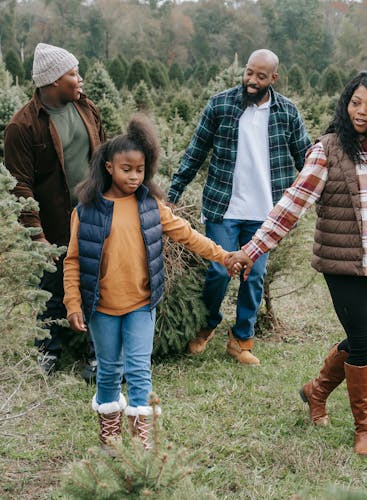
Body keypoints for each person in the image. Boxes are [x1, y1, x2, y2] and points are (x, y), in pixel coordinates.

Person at [229, 70, 367, 455]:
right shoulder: (328, 149)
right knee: (363, 339)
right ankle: (365, 429)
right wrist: (253, 248)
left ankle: (316, 392)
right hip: (342, 260)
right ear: (346, 104)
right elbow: (292, 203)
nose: (361, 112)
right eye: (355, 102)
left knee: (365, 338)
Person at [63, 115, 239, 448]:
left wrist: (223, 255)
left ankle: (141, 436)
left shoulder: (149, 206)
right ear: (109, 168)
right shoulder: (85, 212)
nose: (133, 176)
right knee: (110, 369)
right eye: (126, 169)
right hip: (102, 308)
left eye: (140, 170)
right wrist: (73, 302)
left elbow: (187, 235)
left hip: (141, 305)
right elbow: (73, 261)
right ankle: (110, 435)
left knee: (140, 368)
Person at [167, 49, 311, 365]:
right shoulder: (220, 105)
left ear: (273, 78)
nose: (252, 80)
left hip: (266, 214)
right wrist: (172, 194)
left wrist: (319, 197)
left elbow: (308, 159)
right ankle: (206, 323)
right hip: (224, 206)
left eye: (260, 76)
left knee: (253, 275)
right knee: (219, 270)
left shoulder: (286, 113)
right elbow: (195, 152)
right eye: (249, 72)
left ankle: (241, 340)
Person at [4, 43, 105, 378]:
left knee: (97, 285)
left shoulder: (86, 108)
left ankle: (96, 356)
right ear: (52, 82)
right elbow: (19, 186)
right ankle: (48, 352)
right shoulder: (23, 126)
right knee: (52, 289)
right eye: (72, 74)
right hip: (53, 224)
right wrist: (37, 236)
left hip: (93, 215)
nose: (80, 79)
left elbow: (103, 156)